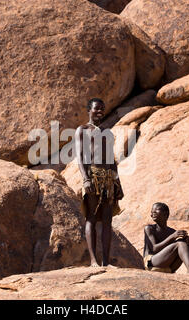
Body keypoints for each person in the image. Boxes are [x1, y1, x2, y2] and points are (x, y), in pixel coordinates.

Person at [75, 98, 124, 267]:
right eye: (97, 109)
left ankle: (105, 261)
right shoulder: (82, 130)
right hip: (92, 175)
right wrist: (86, 179)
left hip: (108, 178)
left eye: (102, 109)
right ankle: (93, 261)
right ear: (89, 110)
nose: (100, 112)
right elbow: (80, 157)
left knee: (107, 220)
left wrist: (118, 183)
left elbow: (112, 159)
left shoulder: (107, 132)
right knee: (91, 218)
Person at [143, 202, 189, 278]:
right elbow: (154, 249)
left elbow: (175, 249)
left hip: (169, 268)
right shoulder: (149, 229)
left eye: (156, 210)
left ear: (166, 214)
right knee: (179, 244)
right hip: (151, 263)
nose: (152, 213)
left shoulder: (171, 231)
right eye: (151, 211)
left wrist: (186, 241)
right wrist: (172, 237)